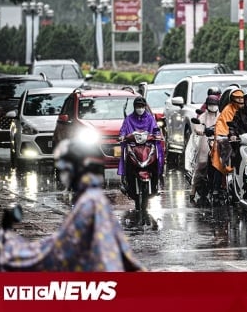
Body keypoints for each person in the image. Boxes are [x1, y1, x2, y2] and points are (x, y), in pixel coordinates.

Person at [49, 138, 143, 271]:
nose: (62, 177)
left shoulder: (88, 203)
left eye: (65, 171)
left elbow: (62, 247)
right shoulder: (94, 198)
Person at [118, 97, 164, 194]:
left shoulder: (150, 118)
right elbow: (123, 130)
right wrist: (122, 136)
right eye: (138, 106)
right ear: (134, 107)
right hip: (133, 147)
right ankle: (127, 184)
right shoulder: (129, 119)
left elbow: (155, 129)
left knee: (156, 162)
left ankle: (156, 184)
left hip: (148, 147)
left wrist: (158, 135)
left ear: (145, 107)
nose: (140, 108)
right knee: (128, 164)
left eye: (142, 106)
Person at [189, 94, 220, 202]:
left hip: (218, 144)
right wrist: (200, 130)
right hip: (205, 144)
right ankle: (193, 188)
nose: (213, 107)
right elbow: (197, 127)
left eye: (215, 105)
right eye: (211, 105)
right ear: (207, 106)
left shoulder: (220, 116)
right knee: (201, 165)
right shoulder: (203, 116)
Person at [212, 88, 244, 179]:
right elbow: (222, 126)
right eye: (237, 98)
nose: (240, 100)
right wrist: (228, 136)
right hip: (228, 140)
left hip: (243, 139)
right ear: (232, 99)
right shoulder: (227, 110)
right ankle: (216, 188)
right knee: (222, 159)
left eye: (242, 98)